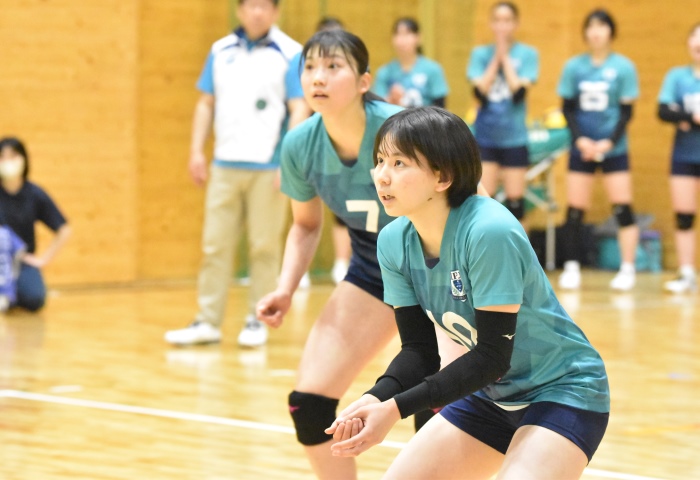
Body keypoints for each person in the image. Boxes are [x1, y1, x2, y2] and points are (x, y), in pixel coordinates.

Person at [326, 106, 610, 480]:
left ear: (443, 176)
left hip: (561, 392)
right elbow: (419, 351)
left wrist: (394, 410)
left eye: (399, 163)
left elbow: (492, 356)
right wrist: (375, 398)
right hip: (491, 397)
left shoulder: (489, 231)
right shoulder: (394, 241)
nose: (382, 176)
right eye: (379, 161)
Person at [256, 30, 474, 480]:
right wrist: (285, 288)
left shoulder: (404, 128)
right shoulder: (299, 144)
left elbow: (476, 203)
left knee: (437, 406)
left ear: (363, 82)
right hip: (374, 271)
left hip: (443, 272)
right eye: (310, 67)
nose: (318, 77)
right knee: (308, 405)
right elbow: (306, 225)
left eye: (333, 66)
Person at [165, 0, 306, 348]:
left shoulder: (290, 53)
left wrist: (287, 162)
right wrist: (196, 151)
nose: (257, 12)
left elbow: (298, 108)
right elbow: (205, 103)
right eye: (251, 5)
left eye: (264, 5)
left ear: (275, 11)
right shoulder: (220, 50)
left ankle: (258, 320)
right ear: (240, 10)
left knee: (264, 247)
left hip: (268, 168)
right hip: (224, 165)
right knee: (214, 245)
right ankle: (207, 321)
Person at [557, 9, 640, 291]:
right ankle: (571, 267)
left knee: (623, 208)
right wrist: (580, 140)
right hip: (581, 147)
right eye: (591, 26)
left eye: (602, 26)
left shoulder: (624, 67)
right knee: (574, 210)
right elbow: (567, 109)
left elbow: (627, 112)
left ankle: (627, 268)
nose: (596, 32)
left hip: (614, 148)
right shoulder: (574, 67)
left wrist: (609, 142)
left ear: (611, 31)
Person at [286, 16, 352, 285]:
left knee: (345, 205)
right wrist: (293, 149)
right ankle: (299, 270)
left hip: (342, 144)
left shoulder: (352, 63)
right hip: (313, 145)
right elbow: (299, 106)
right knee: (302, 208)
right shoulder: (300, 64)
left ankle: (342, 264)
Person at [467, 2, 538, 225]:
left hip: (514, 138)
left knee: (516, 205)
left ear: (515, 24)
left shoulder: (528, 54)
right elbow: (479, 93)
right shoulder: (480, 54)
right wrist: (495, 57)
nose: (502, 26)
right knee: (484, 203)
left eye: (507, 21)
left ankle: (519, 249)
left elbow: (519, 93)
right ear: (491, 24)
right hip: (486, 137)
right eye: (497, 20)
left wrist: (504, 56)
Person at [0, 137, 71, 312]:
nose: (7, 162)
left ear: (24, 159)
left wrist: (43, 260)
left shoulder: (34, 194)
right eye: (2, 157)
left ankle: (12, 296)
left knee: (35, 298)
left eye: (13, 156)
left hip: (22, 260)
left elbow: (64, 229)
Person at [658, 23, 700, 293]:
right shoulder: (677, 77)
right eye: (695, 36)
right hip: (684, 155)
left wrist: (684, 118)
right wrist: (691, 117)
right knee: (684, 216)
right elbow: (664, 111)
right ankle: (686, 273)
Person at [373, 17, 449, 108]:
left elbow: (441, 107)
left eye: (407, 34)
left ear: (418, 38)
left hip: (426, 117)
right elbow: (377, 107)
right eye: (397, 34)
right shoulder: (384, 72)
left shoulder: (433, 69)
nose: (401, 40)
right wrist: (391, 100)